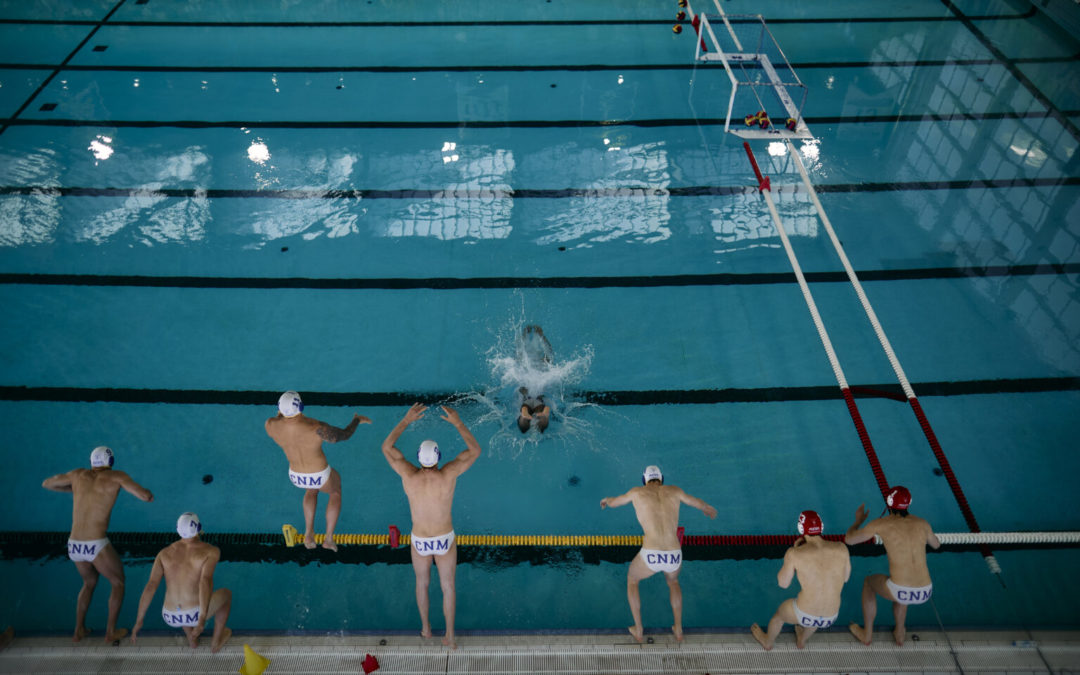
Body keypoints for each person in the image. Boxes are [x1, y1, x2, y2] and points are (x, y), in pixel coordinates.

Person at [380, 403, 482, 649]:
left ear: (418, 457)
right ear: (439, 457)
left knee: (422, 583)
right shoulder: (449, 473)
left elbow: (386, 447)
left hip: (420, 540)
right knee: (448, 586)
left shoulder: (408, 475)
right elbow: (475, 450)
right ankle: (449, 636)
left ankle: (426, 628)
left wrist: (406, 420)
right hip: (444, 538)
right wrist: (458, 422)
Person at [42, 446, 153, 643]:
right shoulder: (116, 476)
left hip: (74, 544)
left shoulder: (78, 475)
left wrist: (74, 488)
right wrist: (148, 493)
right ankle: (110, 632)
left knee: (89, 583)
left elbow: (47, 484)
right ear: (110, 462)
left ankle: (79, 630)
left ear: (92, 462)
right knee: (118, 582)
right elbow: (145, 496)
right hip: (95, 543)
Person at [600, 465, 717, 642]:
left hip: (651, 553)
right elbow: (696, 502)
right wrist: (706, 507)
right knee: (673, 582)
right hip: (674, 554)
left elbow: (615, 502)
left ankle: (638, 629)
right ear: (662, 479)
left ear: (644, 480)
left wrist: (607, 500)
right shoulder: (675, 490)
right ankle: (678, 629)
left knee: (632, 580)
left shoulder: (636, 492)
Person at [265, 391, 371, 551]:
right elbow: (343, 435)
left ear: (279, 409)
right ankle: (328, 538)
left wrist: (281, 414)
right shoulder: (315, 427)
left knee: (311, 490)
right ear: (301, 406)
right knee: (335, 491)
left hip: (295, 475)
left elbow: (281, 420)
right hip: (319, 475)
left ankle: (309, 534)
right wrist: (357, 420)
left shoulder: (270, 425)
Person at [844, 486, 941, 646]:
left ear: (888, 503)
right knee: (901, 584)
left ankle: (866, 634)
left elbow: (850, 540)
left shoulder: (881, 524)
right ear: (909, 503)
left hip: (901, 590)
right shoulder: (922, 523)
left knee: (869, 583)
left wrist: (858, 521)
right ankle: (899, 632)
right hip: (926, 591)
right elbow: (936, 545)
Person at [131, 513, 232, 653]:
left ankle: (192, 640)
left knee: (181, 601)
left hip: (170, 615)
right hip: (194, 614)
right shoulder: (210, 551)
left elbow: (151, 586)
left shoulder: (163, 553)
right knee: (226, 595)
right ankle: (216, 642)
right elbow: (205, 582)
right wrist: (201, 619)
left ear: (178, 529)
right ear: (199, 528)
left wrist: (139, 620)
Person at [750, 510, 851, 650]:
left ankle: (768, 641)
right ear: (821, 527)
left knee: (779, 616)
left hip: (804, 614)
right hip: (831, 617)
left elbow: (783, 584)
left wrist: (794, 553)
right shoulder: (842, 548)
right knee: (817, 612)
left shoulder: (794, 553)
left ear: (801, 529)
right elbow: (846, 578)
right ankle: (802, 640)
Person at [515, 325, 554, 434]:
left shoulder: (526, 407)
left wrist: (530, 415)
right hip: (534, 398)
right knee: (547, 361)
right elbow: (545, 410)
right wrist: (543, 414)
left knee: (521, 360)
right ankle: (539, 336)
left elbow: (524, 412)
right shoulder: (540, 408)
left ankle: (528, 335)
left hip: (528, 396)